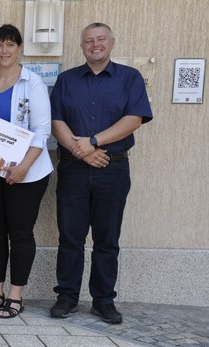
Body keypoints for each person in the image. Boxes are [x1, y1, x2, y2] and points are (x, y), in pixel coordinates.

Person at [48, 23, 152, 324]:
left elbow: (134, 119)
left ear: (111, 42)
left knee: (107, 238)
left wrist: (94, 142)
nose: (95, 45)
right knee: (70, 237)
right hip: (73, 169)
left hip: (113, 167)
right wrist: (82, 151)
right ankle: (66, 297)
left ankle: (103, 300)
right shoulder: (66, 80)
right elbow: (56, 121)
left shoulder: (129, 78)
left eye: (100, 40)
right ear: (82, 46)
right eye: (89, 41)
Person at [0, 24, 53, 319]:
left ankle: (15, 296)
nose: (4, 50)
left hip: (25, 174)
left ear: (19, 49)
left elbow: (42, 133)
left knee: (19, 233)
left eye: (10, 45)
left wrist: (23, 167)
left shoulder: (33, 84)